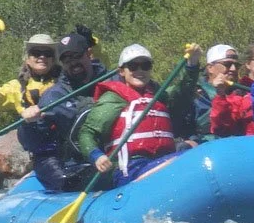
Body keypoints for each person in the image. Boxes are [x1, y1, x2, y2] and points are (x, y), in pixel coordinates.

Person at [77, 42, 203, 187]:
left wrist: (192, 65)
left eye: (145, 65)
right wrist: (97, 157)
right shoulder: (112, 99)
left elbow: (183, 93)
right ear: (121, 71)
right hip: (130, 167)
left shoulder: (158, 96)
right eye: (133, 66)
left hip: (163, 159)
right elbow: (87, 133)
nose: (140, 70)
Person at [16, 32, 105, 192]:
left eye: (77, 56)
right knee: (68, 180)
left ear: (89, 54)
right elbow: (31, 143)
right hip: (71, 159)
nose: (73, 63)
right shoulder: (54, 96)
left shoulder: (113, 81)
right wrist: (28, 124)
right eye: (66, 59)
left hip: (113, 151)